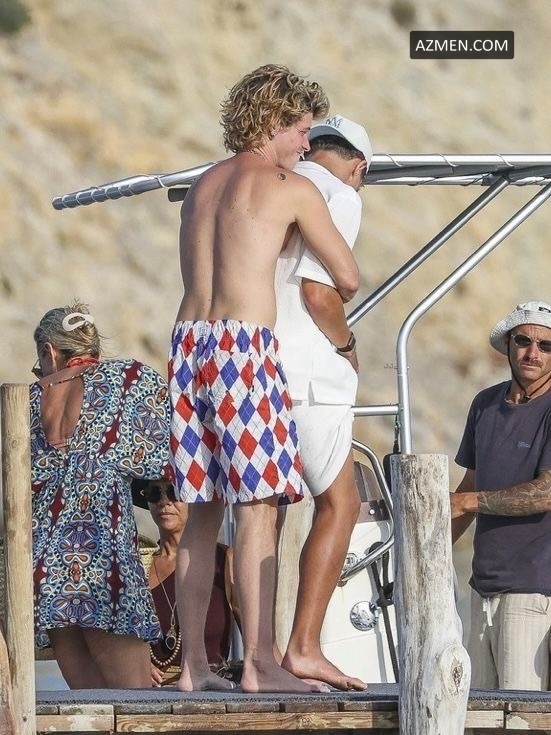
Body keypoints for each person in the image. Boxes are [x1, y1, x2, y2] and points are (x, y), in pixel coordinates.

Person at [168, 63, 359, 693]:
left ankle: (194, 667)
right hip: (243, 349)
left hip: (187, 344)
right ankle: (260, 663)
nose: (306, 143)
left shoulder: (202, 185)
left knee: (201, 512)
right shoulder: (290, 188)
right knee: (258, 510)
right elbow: (346, 277)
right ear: (273, 122)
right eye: (301, 129)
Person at [274, 115, 371, 691]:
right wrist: (346, 347)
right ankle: (304, 647)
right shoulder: (339, 195)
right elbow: (319, 292)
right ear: (360, 165)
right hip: (308, 372)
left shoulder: (273, 182)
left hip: (254, 363)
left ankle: (258, 652)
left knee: (259, 511)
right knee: (341, 503)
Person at [30, 301, 172, 688]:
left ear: (50, 351)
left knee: (87, 704)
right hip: (103, 563)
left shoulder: (27, 402)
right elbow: (163, 459)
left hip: (48, 571)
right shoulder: (127, 379)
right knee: (135, 701)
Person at [451, 300, 551, 690]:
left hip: (535, 590)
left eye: (546, 346)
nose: (533, 353)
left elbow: (546, 493)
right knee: (479, 713)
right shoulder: (485, 404)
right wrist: (426, 553)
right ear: (508, 345)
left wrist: (468, 502)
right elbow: (468, 485)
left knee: (522, 714)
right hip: (481, 586)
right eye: (523, 341)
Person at [132, 479, 236, 686]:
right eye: (155, 493)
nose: (164, 502)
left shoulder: (225, 560)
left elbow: (257, 641)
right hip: (147, 694)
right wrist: (133, 662)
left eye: (174, 493)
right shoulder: (137, 565)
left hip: (213, 693)